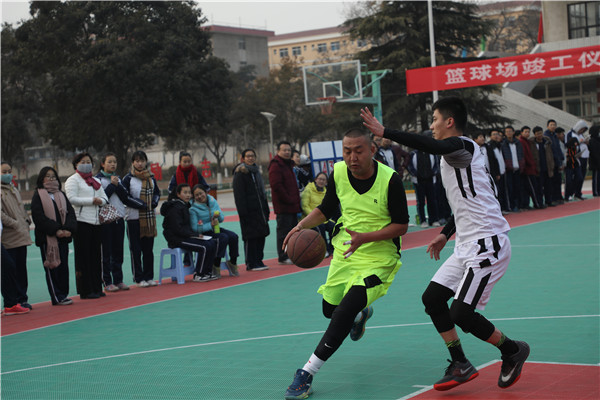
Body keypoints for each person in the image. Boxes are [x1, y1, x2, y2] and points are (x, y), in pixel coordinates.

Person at [362, 97, 530, 392]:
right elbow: (469, 203)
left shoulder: (462, 147)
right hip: (466, 244)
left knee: (462, 314)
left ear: (449, 122)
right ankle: (460, 362)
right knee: (432, 299)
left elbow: (432, 145)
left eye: (435, 119)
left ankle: (512, 350)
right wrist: (445, 233)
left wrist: (385, 131)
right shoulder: (458, 156)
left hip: (488, 243)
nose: (432, 126)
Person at [282, 129, 409, 399]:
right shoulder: (338, 172)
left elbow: (401, 226)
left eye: (358, 151)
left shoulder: (390, 180)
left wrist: (366, 238)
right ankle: (360, 316)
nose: (352, 157)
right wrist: (301, 226)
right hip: (345, 251)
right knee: (330, 309)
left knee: (343, 313)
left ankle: (306, 373)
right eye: (347, 151)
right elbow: (327, 208)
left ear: (372, 150)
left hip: (379, 258)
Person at [30, 167, 77, 305]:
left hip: (63, 237)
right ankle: (56, 297)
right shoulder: (38, 195)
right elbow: (38, 217)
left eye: (53, 176)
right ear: (42, 179)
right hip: (48, 239)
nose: (51, 179)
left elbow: (70, 213)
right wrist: (56, 230)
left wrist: (68, 229)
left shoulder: (61, 194)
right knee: (52, 269)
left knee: (63, 267)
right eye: (48, 176)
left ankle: (63, 294)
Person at [65, 153, 108, 299]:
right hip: (81, 222)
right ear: (76, 165)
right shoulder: (73, 180)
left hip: (96, 222)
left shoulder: (95, 180)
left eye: (88, 161)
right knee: (83, 257)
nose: (86, 164)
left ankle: (97, 287)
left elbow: (104, 197)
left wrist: (100, 201)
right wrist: (91, 200)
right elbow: (71, 198)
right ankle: (85, 289)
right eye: (82, 162)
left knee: (96, 256)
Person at [160, 183, 218, 282]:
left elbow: (186, 227)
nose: (188, 195)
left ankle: (207, 272)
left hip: (185, 236)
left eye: (189, 193)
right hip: (176, 239)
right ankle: (199, 274)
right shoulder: (175, 208)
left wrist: (196, 235)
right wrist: (194, 235)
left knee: (212, 243)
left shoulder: (184, 205)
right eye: (185, 192)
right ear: (178, 194)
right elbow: (177, 229)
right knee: (204, 247)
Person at [122, 151, 160, 287]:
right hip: (133, 218)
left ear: (145, 162)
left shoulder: (151, 178)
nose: (139, 163)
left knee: (148, 250)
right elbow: (125, 197)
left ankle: (149, 276)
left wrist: (154, 202)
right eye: (137, 161)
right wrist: (140, 204)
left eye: (142, 160)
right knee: (136, 250)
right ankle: (139, 278)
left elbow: (157, 193)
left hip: (149, 220)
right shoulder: (128, 179)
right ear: (133, 163)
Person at [95, 153, 130, 292]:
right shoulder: (98, 180)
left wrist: (117, 185)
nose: (113, 164)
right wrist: (112, 186)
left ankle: (118, 280)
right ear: (102, 164)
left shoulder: (118, 178)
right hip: (105, 220)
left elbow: (125, 196)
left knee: (118, 251)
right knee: (106, 252)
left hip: (119, 218)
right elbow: (101, 198)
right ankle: (107, 281)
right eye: (109, 162)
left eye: (114, 162)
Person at [1, 162, 33, 309]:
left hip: (21, 235)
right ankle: (12, 301)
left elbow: (21, 209)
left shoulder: (13, 189)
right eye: (4, 172)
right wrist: (14, 223)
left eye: (9, 171)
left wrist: (26, 221)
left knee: (21, 270)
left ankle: (22, 298)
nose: (7, 174)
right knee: (10, 270)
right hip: (8, 237)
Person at [232, 149, 270, 272]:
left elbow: (262, 193)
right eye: (248, 156)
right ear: (243, 158)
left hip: (260, 211)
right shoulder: (240, 174)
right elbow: (239, 196)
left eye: (252, 156)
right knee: (251, 237)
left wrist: (266, 210)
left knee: (261, 236)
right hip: (248, 212)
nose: (250, 158)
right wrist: (243, 213)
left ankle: (259, 260)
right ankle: (251, 263)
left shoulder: (256, 172)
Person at [189, 184, 240, 277]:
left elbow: (221, 219)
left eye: (201, 193)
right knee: (223, 238)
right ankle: (215, 265)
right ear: (194, 197)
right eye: (196, 195)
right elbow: (194, 228)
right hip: (203, 233)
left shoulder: (212, 201)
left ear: (205, 192)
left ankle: (233, 262)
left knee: (233, 236)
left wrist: (218, 216)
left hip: (215, 229)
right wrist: (210, 225)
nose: (199, 196)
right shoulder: (193, 209)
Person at [268, 141, 301, 265]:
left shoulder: (289, 164)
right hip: (284, 206)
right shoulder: (276, 165)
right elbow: (276, 186)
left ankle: (291, 253)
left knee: (293, 231)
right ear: (278, 151)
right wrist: (288, 199)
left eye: (289, 150)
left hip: (293, 205)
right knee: (283, 232)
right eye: (284, 150)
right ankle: (283, 256)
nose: (287, 152)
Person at [407, 133, 440, 228]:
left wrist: (433, 173)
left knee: (432, 201)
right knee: (420, 202)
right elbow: (410, 166)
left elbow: (436, 165)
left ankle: (434, 219)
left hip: (430, 180)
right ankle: (422, 220)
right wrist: (416, 174)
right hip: (418, 181)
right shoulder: (413, 154)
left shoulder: (432, 153)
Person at [301, 172, 335, 257]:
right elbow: (304, 206)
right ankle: (324, 250)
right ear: (315, 180)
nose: (321, 181)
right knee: (321, 228)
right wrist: (314, 217)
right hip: (311, 219)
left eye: (324, 180)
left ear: (326, 182)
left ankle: (332, 248)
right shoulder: (308, 190)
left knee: (334, 227)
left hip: (322, 218)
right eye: (320, 179)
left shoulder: (326, 191)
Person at [529, 126, 554, 208]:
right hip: (538, 169)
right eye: (537, 134)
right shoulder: (532, 143)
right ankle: (540, 203)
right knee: (539, 187)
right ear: (534, 134)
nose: (539, 135)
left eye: (540, 133)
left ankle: (549, 201)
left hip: (547, 167)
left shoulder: (547, 142)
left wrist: (552, 165)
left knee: (548, 186)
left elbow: (550, 154)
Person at [501, 126, 524, 212]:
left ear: (513, 132)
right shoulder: (503, 144)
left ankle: (518, 205)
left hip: (517, 168)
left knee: (518, 188)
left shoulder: (518, 143)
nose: (509, 133)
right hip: (508, 170)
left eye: (510, 131)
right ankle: (511, 205)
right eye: (507, 132)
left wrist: (522, 165)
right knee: (510, 189)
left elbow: (521, 155)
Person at [566, 120, 590, 200]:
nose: (582, 131)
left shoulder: (581, 135)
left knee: (581, 177)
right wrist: (579, 142)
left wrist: (585, 142)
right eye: (581, 129)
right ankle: (569, 193)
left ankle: (578, 193)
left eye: (583, 130)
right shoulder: (570, 134)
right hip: (575, 158)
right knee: (573, 177)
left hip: (583, 156)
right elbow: (569, 144)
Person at [488, 129, 510, 212]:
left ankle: (505, 207)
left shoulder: (500, 145)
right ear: (490, 136)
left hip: (502, 171)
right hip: (495, 174)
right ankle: (498, 209)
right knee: (497, 192)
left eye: (497, 134)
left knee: (504, 191)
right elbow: (492, 162)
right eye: (494, 134)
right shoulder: (489, 146)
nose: (496, 136)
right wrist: (496, 173)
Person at [544, 119, 564, 205]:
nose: (553, 126)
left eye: (554, 125)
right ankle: (552, 198)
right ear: (547, 126)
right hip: (550, 162)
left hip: (557, 161)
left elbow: (558, 148)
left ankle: (558, 197)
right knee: (551, 182)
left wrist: (561, 159)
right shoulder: (546, 136)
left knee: (558, 180)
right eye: (551, 125)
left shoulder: (555, 136)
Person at [518, 126, 539, 209]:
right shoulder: (521, 142)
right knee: (532, 187)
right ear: (521, 133)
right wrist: (530, 163)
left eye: (528, 132)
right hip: (527, 169)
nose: (527, 133)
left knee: (528, 187)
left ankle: (527, 204)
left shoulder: (528, 141)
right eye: (525, 132)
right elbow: (525, 155)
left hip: (531, 168)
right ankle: (536, 203)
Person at [564, 135, 583, 202]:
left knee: (579, 178)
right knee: (568, 181)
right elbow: (564, 155)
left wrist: (578, 155)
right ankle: (567, 195)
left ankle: (576, 193)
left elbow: (578, 153)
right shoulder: (566, 147)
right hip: (568, 165)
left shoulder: (576, 147)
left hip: (576, 164)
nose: (575, 145)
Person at [588, 125, 600, 197]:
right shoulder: (592, 140)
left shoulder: (598, 140)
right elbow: (594, 152)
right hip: (595, 163)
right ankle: (596, 191)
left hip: (598, 161)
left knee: (599, 178)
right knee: (595, 178)